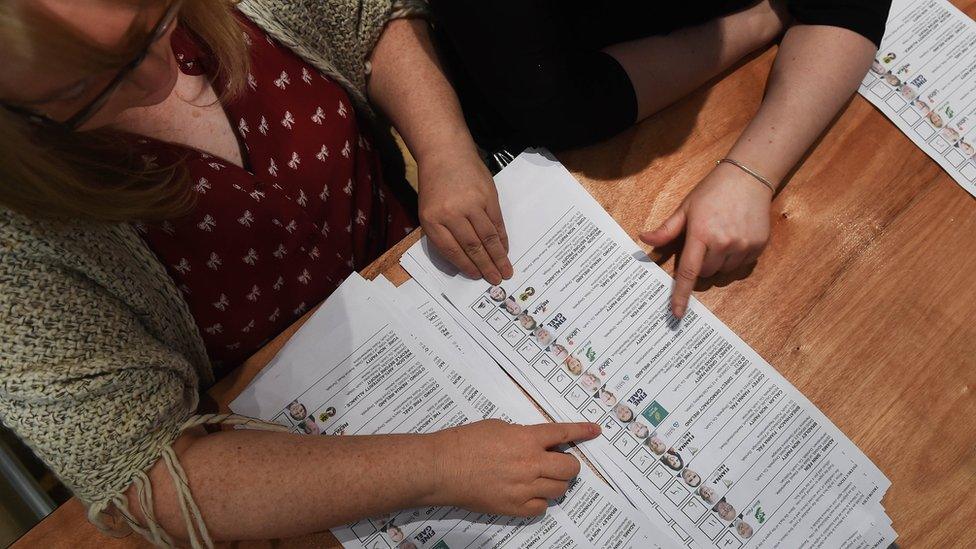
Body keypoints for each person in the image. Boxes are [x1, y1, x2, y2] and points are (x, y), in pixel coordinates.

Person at [0, 1, 597, 545]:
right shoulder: (16, 254)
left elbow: (370, 18)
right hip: (287, 437)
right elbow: (151, 479)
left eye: (154, 23)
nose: (159, 81)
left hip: (429, 281)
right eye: (85, 87)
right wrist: (438, 468)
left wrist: (443, 147)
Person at [433, 0, 892, 318]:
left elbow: (849, 8)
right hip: (526, 117)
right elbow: (554, 104)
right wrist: (760, 20)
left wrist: (752, 171)